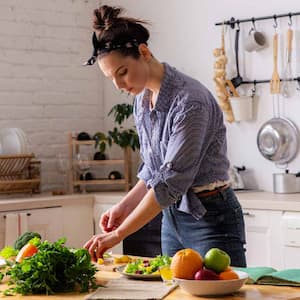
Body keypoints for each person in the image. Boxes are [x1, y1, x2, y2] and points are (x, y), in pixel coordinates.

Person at [83, 4, 246, 267]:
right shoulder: (142, 100)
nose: (119, 85)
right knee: (172, 292)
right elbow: (154, 169)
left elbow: (170, 181)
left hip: (211, 216)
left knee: (220, 294)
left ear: (143, 52)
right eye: (111, 78)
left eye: (122, 72)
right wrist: (123, 208)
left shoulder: (190, 101)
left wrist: (118, 234)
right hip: (172, 216)